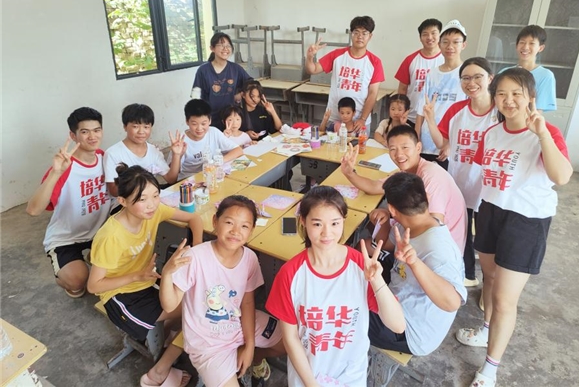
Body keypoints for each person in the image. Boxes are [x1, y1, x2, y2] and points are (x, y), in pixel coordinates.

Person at [456, 68, 572, 387]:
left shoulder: (546, 132)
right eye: (502, 94)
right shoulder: (492, 133)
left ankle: (489, 370)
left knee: (506, 300)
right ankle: (486, 330)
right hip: (492, 211)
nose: (508, 101)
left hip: (526, 221)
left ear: (531, 98)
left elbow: (562, 177)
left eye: (516, 94)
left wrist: (542, 134)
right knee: (490, 279)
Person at [266, 186, 405, 386]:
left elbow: (398, 325)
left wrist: (377, 281)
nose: (327, 233)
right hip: (307, 376)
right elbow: (290, 338)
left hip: (351, 376)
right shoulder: (290, 274)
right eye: (317, 224)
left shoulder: (361, 266)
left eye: (334, 223)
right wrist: (311, 384)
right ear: (303, 221)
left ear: (343, 221)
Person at [87, 164, 204, 387]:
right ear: (123, 201)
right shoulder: (111, 236)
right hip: (120, 296)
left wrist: (196, 249)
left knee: (195, 304)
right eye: (142, 199)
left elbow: (195, 219)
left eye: (156, 195)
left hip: (145, 282)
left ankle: (167, 340)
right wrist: (136, 276)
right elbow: (94, 286)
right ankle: (159, 369)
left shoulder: (154, 211)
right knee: (196, 310)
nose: (151, 204)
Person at [159, 195, 286, 387]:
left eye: (244, 226)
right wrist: (167, 274)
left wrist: (250, 347)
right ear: (215, 222)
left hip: (237, 324)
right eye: (229, 222)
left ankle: (253, 360)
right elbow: (169, 305)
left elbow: (247, 302)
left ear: (251, 230)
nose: (236, 231)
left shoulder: (250, 258)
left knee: (288, 341)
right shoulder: (195, 257)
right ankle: (226, 368)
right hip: (208, 343)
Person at [368, 172, 467, 355]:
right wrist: (385, 219)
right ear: (426, 197)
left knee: (346, 307)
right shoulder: (411, 223)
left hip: (409, 331)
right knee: (364, 261)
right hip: (400, 292)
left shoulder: (437, 249)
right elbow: (385, 246)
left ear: (392, 208)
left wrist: (414, 263)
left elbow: (452, 303)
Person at [422, 57, 499, 287]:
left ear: (490, 78)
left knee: (487, 237)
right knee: (462, 231)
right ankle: (468, 275)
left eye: (477, 77)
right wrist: (430, 120)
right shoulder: (457, 110)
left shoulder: (500, 113)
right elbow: (442, 144)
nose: (471, 83)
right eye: (465, 78)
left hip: (489, 188)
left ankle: (491, 286)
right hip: (460, 182)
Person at [342, 125, 467, 255]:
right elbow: (374, 187)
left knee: (363, 246)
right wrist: (349, 173)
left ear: (418, 148)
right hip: (417, 234)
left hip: (436, 252)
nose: (399, 154)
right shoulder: (407, 173)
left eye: (405, 147)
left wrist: (391, 219)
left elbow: (433, 228)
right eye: (393, 149)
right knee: (373, 222)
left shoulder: (431, 176)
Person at [26, 107, 110, 298]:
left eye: (96, 130)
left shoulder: (105, 157)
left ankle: (93, 255)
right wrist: (56, 173)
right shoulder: (64, 168)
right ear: (73, 135)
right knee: (78, 281)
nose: (92, 136)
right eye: (85, 132)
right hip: (67, 238)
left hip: (100, 232)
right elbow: (33, 210)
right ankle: (65, 274)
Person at [305, 16, 384, 133]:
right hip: (334, 118)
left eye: (364, 33)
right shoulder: (337, 55)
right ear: (351, 34)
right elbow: (313, 69)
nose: (360, 36)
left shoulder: (375, 62)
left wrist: (363, 119)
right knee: (329, 144)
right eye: (356, 32)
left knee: (358, 145)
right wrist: (310, 57)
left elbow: (373, 93)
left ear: (370, 36)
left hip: (358, 122)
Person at [415, 19, 469, 170]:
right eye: (445, 42)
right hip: (427, 142)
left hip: (451, 145)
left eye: (456, 42)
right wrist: (416, 136)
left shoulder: (467, 74)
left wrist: (451, 144)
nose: (450, 46)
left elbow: (469, 113)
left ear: (464, 45)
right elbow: (421, 108)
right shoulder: (432, 73)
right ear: (439, 44)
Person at [104, 104, 184, 197]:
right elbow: (114, 191)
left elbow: (171, 179)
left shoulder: (154, 151)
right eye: (135, 126)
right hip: (127, 201)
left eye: (146, 127)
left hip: (151, 197)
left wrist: (176, 154)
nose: (141, 132)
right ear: (125, 126)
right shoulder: (113, 153)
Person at [169, 99, 243, 181]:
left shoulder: (214, 132)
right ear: (187, 121)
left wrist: (219, 161)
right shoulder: (180, 141)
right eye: (194, 124)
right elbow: (172, 179)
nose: (199, 128)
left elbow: (238, 150)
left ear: (210, 120)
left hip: (210, 176)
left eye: (203, 124)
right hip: (189, 180)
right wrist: (177, 155)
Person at [190, 32, 251, 125]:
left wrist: (241, 94)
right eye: (221, 45)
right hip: (210, 119)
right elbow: (196, 96)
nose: (225, 49)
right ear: (212, 48)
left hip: (231, 119)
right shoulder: (203, 70)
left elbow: (251, 83)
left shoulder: (236, 69)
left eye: (228, 46)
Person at [395, 18, 444, 127]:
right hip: (411, 117)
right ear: (420, 38)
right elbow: (402, 89)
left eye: (433, 33)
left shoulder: (446, 60)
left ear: (440, 35)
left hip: (437, 119)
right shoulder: (410, 60)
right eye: (425, 34)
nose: (429, 37)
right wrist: (401, 111)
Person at [499, 25, 556, 112]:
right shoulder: (504, 72)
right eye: (522, 42)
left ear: (540, 48)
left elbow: (537, 111)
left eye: (531, 43)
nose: (525, 47)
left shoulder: (546, 75)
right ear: (516, 45)